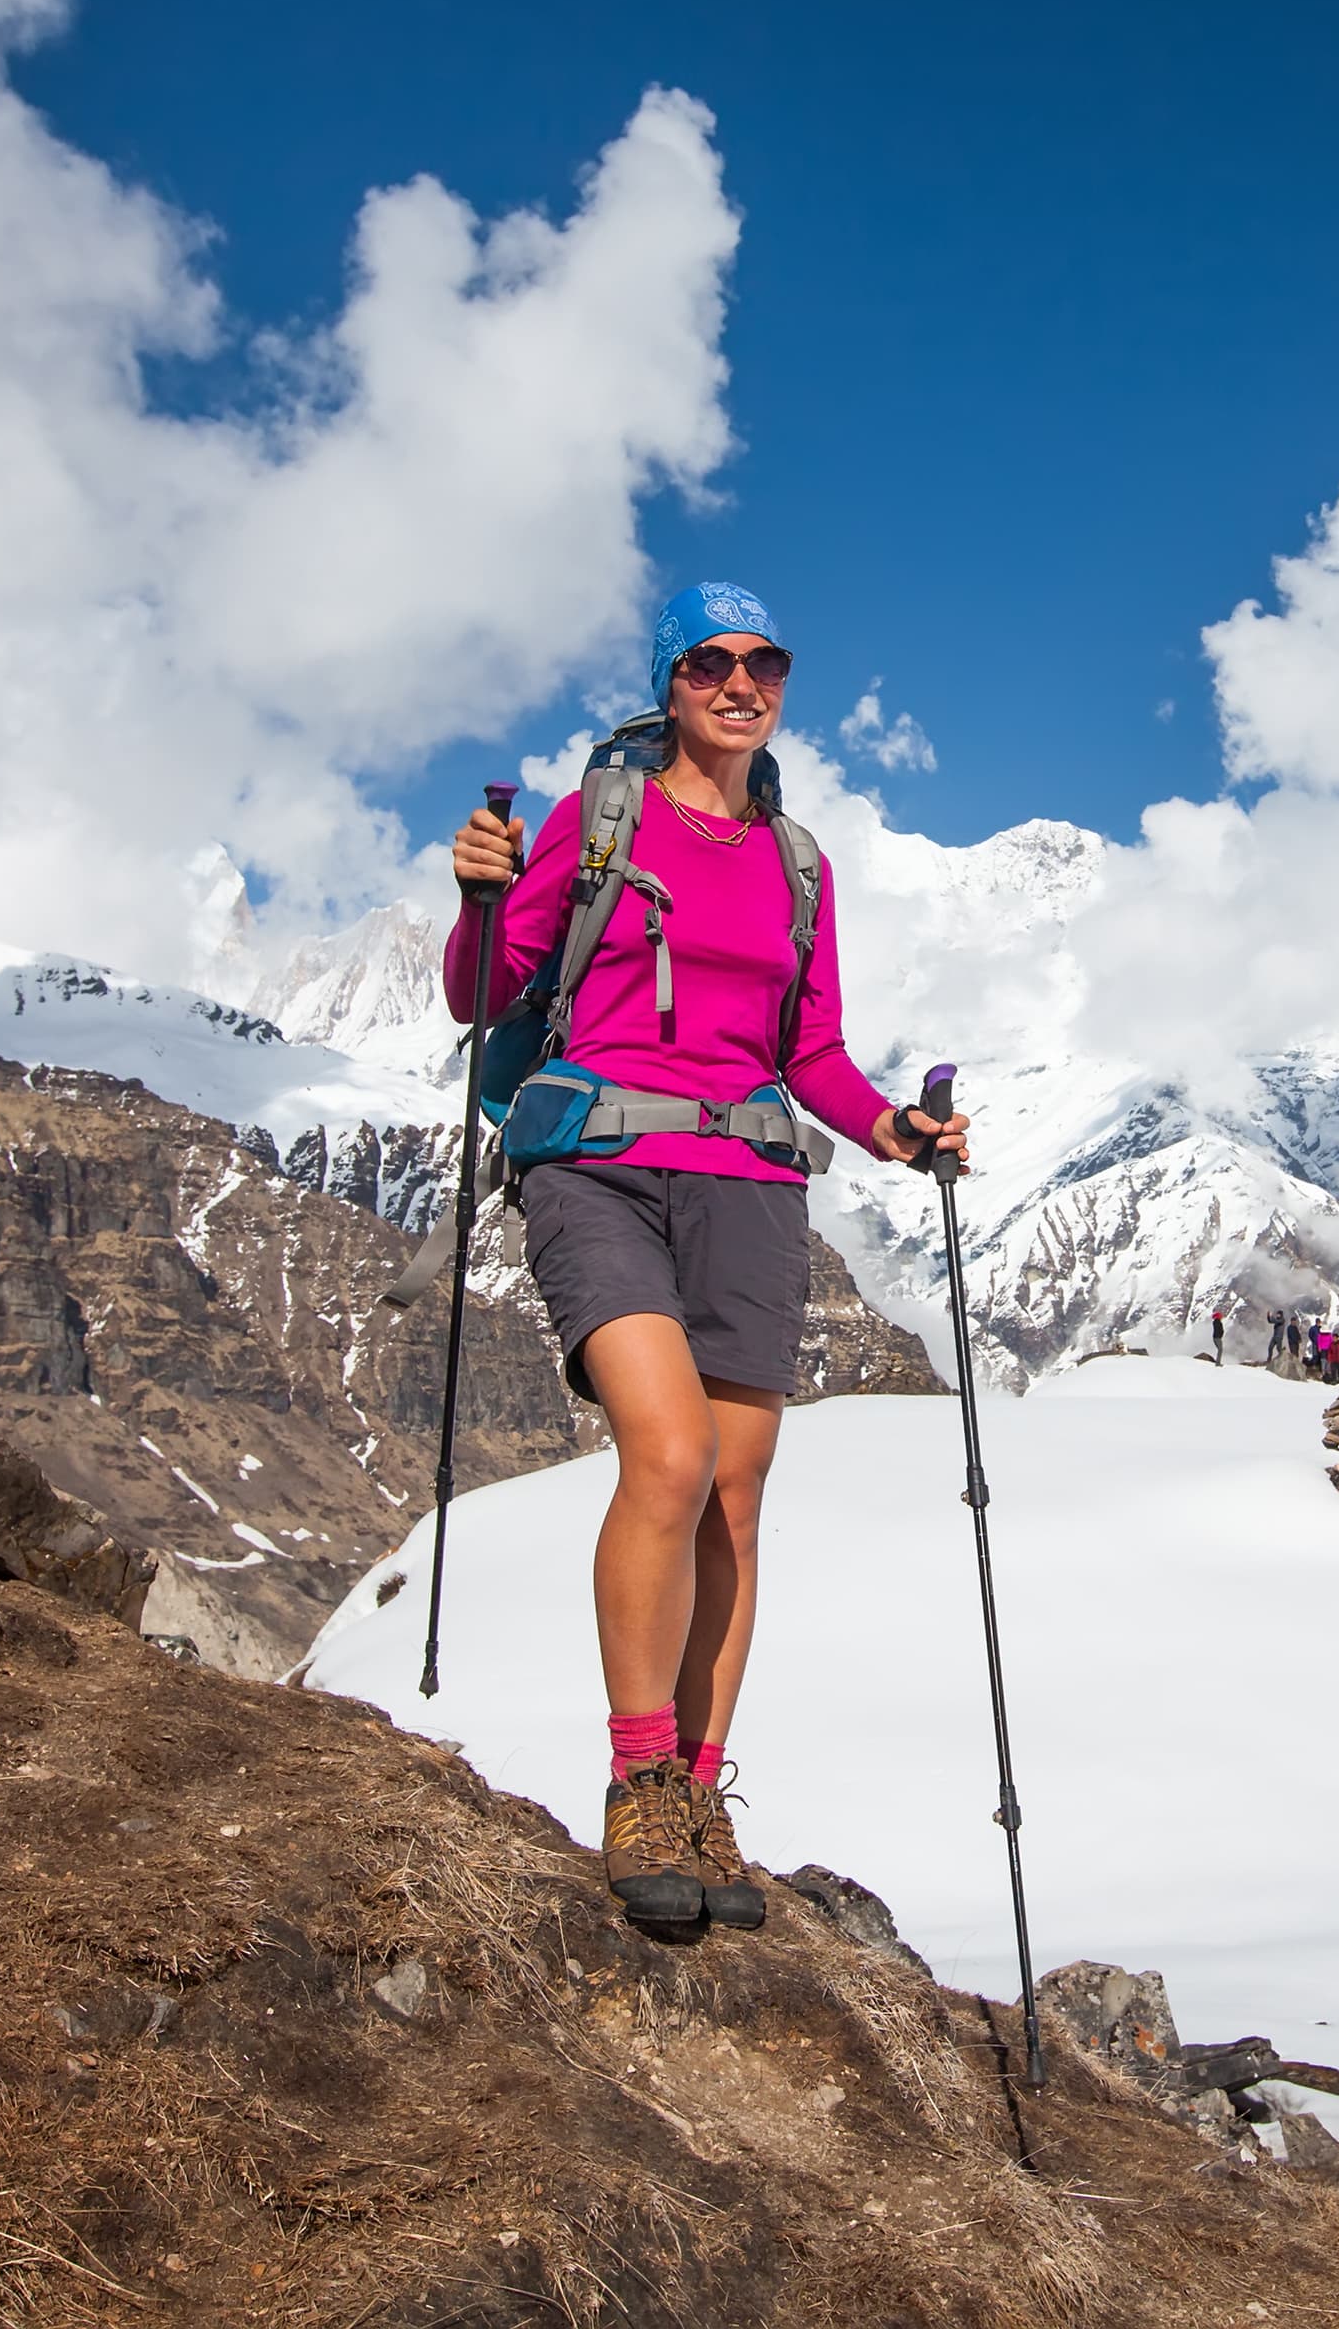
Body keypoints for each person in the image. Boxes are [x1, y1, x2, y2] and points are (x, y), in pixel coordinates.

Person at [446, 581, 970, 1934]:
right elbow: (488, 993)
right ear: (671, 684)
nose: (741, 684)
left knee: (735, 1495)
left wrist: (898, 1132)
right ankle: (635, 1785)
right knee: (668, 1459)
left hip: (748, 1183)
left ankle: (696, 1788)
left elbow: (812, 1055)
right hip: (597, 1167)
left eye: (764, 663)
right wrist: (477, 900)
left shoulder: (798, 863)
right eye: (712, 664)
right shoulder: (596, 819)